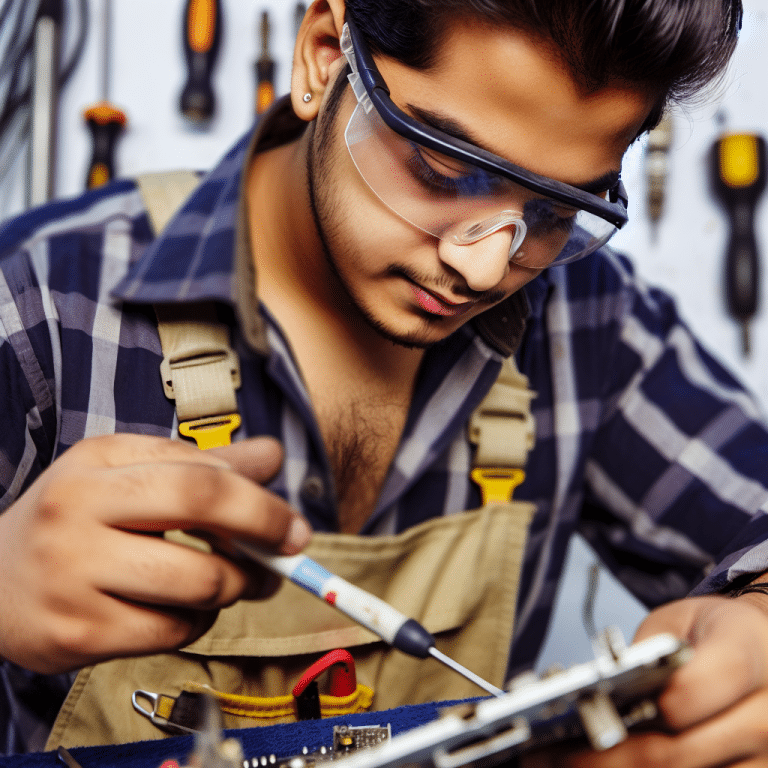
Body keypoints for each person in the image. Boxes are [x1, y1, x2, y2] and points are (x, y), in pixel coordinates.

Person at [2, 0, 768, 761]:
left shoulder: (587, 321)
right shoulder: (35, 306)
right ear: (325, 55)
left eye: (554, 210)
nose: (484, 267)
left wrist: (756, 625)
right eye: (446, 169)